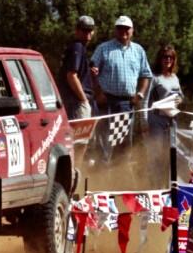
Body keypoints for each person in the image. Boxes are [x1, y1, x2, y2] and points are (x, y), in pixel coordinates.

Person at [90, 15, 152, 160]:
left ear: (132, 30)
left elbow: (146, 74)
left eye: (127, 28)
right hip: (107, 103)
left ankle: (119, 177)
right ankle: (101, 177)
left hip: (126, 104)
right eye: (120, 28)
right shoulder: (104, 48)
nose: (123, 31)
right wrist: (98, 93)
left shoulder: (138, 50)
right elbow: (92, 70)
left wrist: (140, 94)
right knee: (104, 143)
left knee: (123, 145)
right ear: (115, 30)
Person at [142, 44, 183, 187]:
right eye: (165, 57)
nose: (168, 60)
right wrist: (144, 121)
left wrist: (180, 99)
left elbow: (180, 96)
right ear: (160, 59)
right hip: (156, 121)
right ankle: (154, 186)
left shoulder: (175, 78)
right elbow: (146, 100)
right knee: (156, 155)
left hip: (172, 121)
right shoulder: (155, 78)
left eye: (171, 57)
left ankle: (168, 186)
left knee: (170, 155)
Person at [58, 15, 97, 120]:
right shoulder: (77, 47)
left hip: (76, 101)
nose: (88, 34)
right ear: (77, 31)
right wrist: (84, 100)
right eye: (84, 30)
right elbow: (71, 75)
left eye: (90, 30)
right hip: (76, 103)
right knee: (80, 136)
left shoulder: (78, 47)